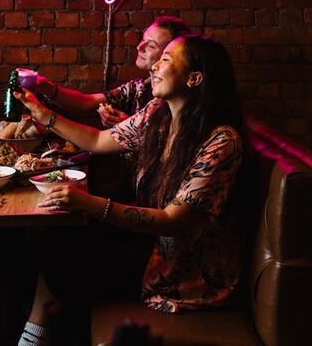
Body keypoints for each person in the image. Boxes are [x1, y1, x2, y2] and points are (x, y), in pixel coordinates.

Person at [14, 34, 247, 346]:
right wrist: (45, 115)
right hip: (152, 243)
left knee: (62, 256)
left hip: (184, 267)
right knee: (51, 239)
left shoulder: (221, 140)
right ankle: (38, 332)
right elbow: (97, 141)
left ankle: (38, 334)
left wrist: (91, 204)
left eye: (166, 59)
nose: (154, 67)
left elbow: (173, 220)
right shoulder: (158, 114)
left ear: (195, 78)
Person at [24, 15, 191, 127]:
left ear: (171, 52)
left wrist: (131, 127)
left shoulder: (179, 97)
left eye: (151, 45)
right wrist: (44, 85)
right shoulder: (138, 88)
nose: (139, 47)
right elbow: (85, 103)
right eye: (143, 39)